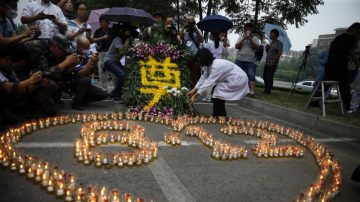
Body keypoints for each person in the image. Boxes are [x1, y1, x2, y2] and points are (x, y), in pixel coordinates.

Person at [0, 44, 55, 125]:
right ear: (8, 60)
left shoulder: (9, 69)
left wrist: (37, 84)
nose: (15, 69)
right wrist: (30, 80)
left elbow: (20, 89)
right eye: (17, 66)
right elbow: (9, 87)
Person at [188, 48, 249, 117]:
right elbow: (203, 79)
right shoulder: (207, 67)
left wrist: (195, 96)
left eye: (199, 60)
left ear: (204, 58)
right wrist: (193, 91)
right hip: (232, 79)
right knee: (217, 92)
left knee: (217, 92)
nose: (199, 62)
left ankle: (219, 115)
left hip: (238, 79)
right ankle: (219, 115)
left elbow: (208, 82)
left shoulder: (216, 65)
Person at [324, 22, 360, 111]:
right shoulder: (350, 39)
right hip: (340, 66)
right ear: (355, 31)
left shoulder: (339, 37)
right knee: (345, 86)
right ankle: (348, 106)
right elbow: (353, 54)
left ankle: (314, 102)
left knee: (325, 84)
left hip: (330, 65)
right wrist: (358, 65)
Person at [70, 36, 108, 110]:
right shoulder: (74, 56)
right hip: (74, 83)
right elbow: (81, 74)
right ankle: (76, 103)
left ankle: (83, 99)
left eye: (88, 47)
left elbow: (92, 71)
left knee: (104, 95)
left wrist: (94, 63)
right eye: (85, 48)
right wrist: (90, 61)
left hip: (86, 83)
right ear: (78, 47)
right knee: (85, 80)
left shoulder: (87, 55)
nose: (87, 50)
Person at [103, 24, 131, 102]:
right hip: (109, 61)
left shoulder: (123, 39)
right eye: (127, 32)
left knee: (125, 75)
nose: (127, 34)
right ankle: (116, 94)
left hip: (115, 61)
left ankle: (115, 93)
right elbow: (122, 50)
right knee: (122, 75)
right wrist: (127, 42)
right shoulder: (117, 39)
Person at [235, 23, 260, 97]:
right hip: (240, 59)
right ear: (244, 30)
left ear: (252, 30)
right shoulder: (240, 37)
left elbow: (256, 47)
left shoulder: (255, 38)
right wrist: (244, 39)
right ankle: (236, 89)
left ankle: (252, 91)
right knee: (237, 75)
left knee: (251, 75)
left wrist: (250, 40)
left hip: (250, 60)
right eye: (246, 29)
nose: (248, 30)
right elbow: (237, 46)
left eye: (249, 29)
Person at [180, 15, 204, 87]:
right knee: (186, 73)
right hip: (186, 55)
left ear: (194, 22)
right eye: (188, 21)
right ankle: (186, 88)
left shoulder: (197, 30)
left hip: (196, 55)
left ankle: (193, 89)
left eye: (191, 21)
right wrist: (183, 27)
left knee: (195, 74)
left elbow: (202, 40)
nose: (190, 23)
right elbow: (179, 38)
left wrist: (196, 30)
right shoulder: (184, 30)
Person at [92, 15, 111, 91]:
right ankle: (104, 88)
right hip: (101, 52)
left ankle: (115, 89)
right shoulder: (98, 31)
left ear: (108, 23)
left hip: (110, 53)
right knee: (101, 70)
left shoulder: (111, 31)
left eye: (104, 22)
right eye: (101, 22)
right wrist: (102, 38)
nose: (103, 23)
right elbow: (92, 40)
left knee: (112, 71)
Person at [263, 28, 283, 94]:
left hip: (272, 63)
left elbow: (279, 53)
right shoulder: (271, 43)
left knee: (269, 76)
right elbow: (268, 52)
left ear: (275, 34)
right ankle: (266, 89)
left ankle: (268, 90)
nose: (270, 35)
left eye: (271, 33)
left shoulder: (279, 43)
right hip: (267, 62)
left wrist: (273, 61)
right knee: (265, 76)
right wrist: (267, 48)